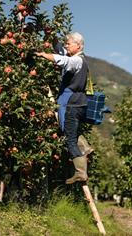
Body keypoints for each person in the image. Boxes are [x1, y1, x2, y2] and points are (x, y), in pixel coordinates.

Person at [35, 32, 89, 184]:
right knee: (71, 131)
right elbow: (61, 51)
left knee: (70, 139)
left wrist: (43, 55)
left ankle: (80, 173)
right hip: (78, 102)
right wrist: (52, 38)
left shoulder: (77, 60)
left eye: (69, 43)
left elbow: (63, 60)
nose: (66, 46)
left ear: (78, 45)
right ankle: (86, 148)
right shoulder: (79, 58)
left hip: (72, 103)